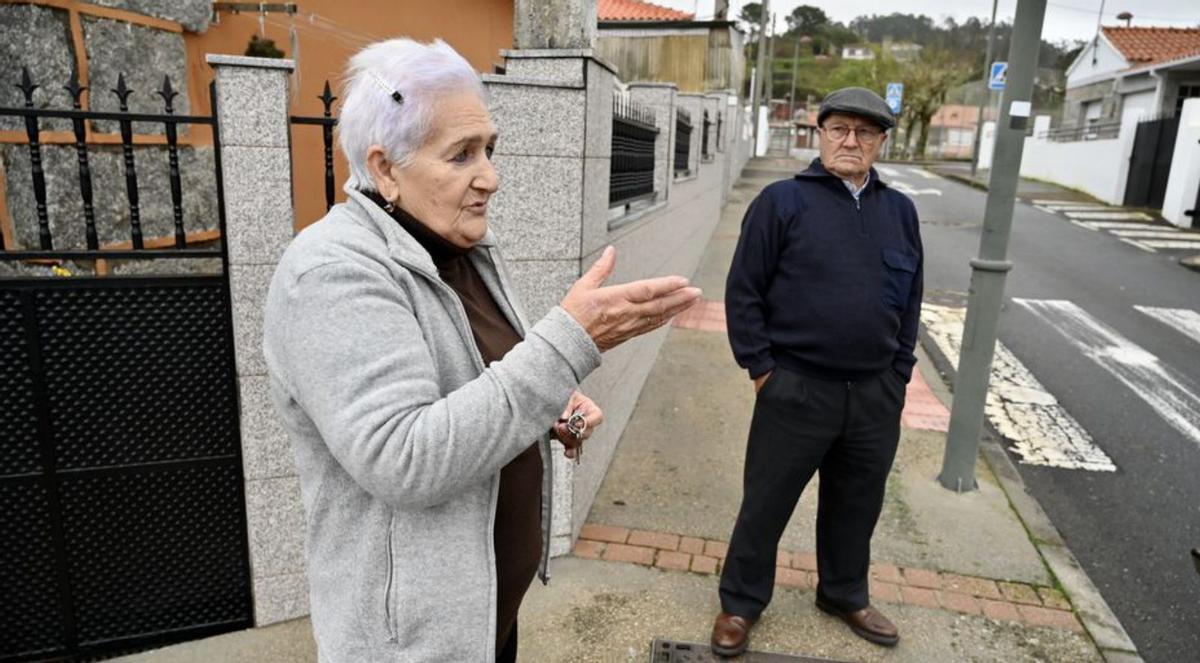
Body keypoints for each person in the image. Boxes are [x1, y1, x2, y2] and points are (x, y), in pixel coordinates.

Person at [262, 38, 701, 662]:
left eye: (488, 149)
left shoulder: (459, 249)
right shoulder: (330, 274)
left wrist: (553, 404)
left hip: (481, 616)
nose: (490, 177)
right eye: (461, 154)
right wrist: (567, 346)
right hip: (409, 643)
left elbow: (483, 385)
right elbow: (402, 457)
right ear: (386, 168)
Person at [710, 87, 923, 656]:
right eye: (839, 129)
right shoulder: (782, 202)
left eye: (865, 132)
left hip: (874, 394)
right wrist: (763, 371)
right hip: (796, 388)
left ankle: (843, 593)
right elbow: (744, 291)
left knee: (858, 504)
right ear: (820, 134)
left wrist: (898, 373)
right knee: (766, 503)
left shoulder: (900, 212)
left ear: (880, 142)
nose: (851, 140)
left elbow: (910, 302)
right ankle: (740, 602)